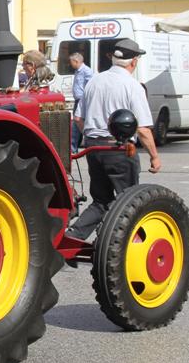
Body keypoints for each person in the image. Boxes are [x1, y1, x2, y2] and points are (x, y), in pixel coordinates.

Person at [67, 39, 161, 240]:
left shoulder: (94, 81)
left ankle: (74, 236)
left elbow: (78, 118)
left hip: (93, 148)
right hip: (118, 148)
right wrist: (154, 156)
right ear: (133, 62)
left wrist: (93, 138)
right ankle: (126, 244)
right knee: (129, 202)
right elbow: (142, 128)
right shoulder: (132, 85)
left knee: (101, 200)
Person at [69, 51, 94, 152]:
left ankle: (73, 147)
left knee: (77, 122)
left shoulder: (87, 71)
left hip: (82, 101)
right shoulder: (78, 71)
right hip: (78, 100)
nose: (70, 64)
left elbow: (91, 86)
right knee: (77, 123)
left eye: (71, 62)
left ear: (76, 61)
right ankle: (74, 146)